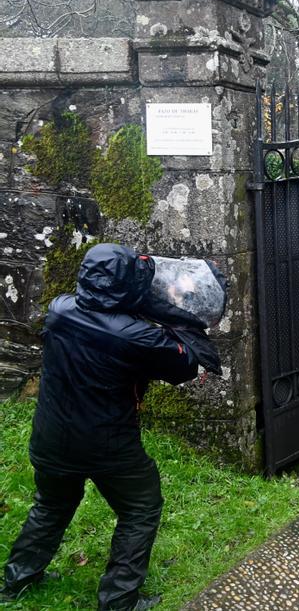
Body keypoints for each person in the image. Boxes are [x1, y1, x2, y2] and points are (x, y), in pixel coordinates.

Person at [1, 244, 216, 611]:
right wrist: (174, 312)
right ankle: (117, 601)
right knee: (141, 508)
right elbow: (187, 365)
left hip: (51, 436)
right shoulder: (138, 337)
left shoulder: (59, 310)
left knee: (51, 504)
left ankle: (18, 579)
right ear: (130, 285)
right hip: (107, 445)